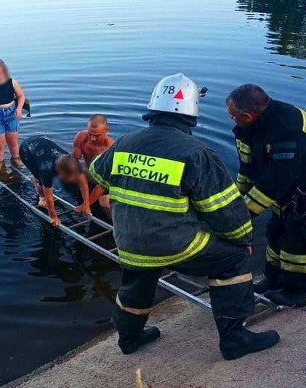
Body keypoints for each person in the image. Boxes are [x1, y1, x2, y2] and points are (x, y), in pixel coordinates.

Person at [89, 74, 279, 359]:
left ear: (153, 107)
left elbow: (95, 172)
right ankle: (234, 339)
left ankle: (130, 339)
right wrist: (243, 239)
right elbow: (225, 211)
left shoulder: (125, 142)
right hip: (176, 244)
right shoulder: (196, 153)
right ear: (191, 113)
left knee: (137, 281)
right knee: (234, 258)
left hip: (129, 241)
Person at [226, 84, 306, 307]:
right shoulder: (250, 127)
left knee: (300, 231)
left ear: (247, 115)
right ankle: (274, 280)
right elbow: (248, 170)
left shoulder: (287, 130)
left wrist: (242, 214)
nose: (231, 119)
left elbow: (277, 182)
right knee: (276, 228)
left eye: (232, 116)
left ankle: (295, 291)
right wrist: (237, 200)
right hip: (295, 178)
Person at [19, 136, 92, 227]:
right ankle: (38, 188)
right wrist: (53, 216)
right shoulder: (45, 169)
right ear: (60, 173)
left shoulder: (73, 162)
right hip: (27, 150)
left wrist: (86, 204)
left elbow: (83, 183)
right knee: (41, 183)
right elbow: (49, 196)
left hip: (43, 144)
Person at [71, 114, 115, 215]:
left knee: (103, 202)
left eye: (97, 135)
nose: (92, 139)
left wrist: (85, 205)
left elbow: (102, 185)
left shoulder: (110, 149)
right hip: (90, 173)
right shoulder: (81, 137)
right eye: (90, 134)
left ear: (106, 130)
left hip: (106, 181)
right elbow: (73, 160)